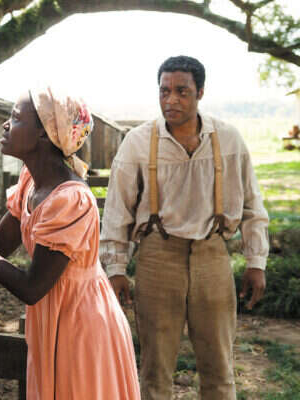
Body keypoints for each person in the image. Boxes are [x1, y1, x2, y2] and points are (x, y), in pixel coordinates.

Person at [0, 87, 141, 399]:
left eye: (16, 118)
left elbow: (31, 288)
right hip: (56, 315)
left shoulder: (70, 200)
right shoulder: (32, 183)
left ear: (45, 133)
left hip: (81, 322)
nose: (6, 124)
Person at [100, 55, 269, 400]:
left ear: (200, 93)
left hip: (212, 255)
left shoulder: (228, 140)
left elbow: (252, 205)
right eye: (164, 91)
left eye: (182, 91)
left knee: (219, 367)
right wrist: (115, 268)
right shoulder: (138, 142)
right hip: (157, 258)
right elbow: (117, 212)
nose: (171, 100)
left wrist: (256, 262)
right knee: (155, 369)